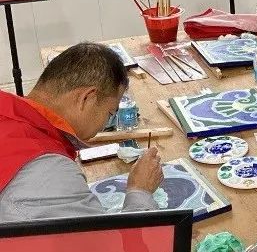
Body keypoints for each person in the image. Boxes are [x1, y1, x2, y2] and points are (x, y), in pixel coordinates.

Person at [0, 42, 163, 223]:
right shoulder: (50, 172)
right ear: (87, 98)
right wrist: (140, 191)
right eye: (110, 114)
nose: (104, 125)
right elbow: (109, 241)